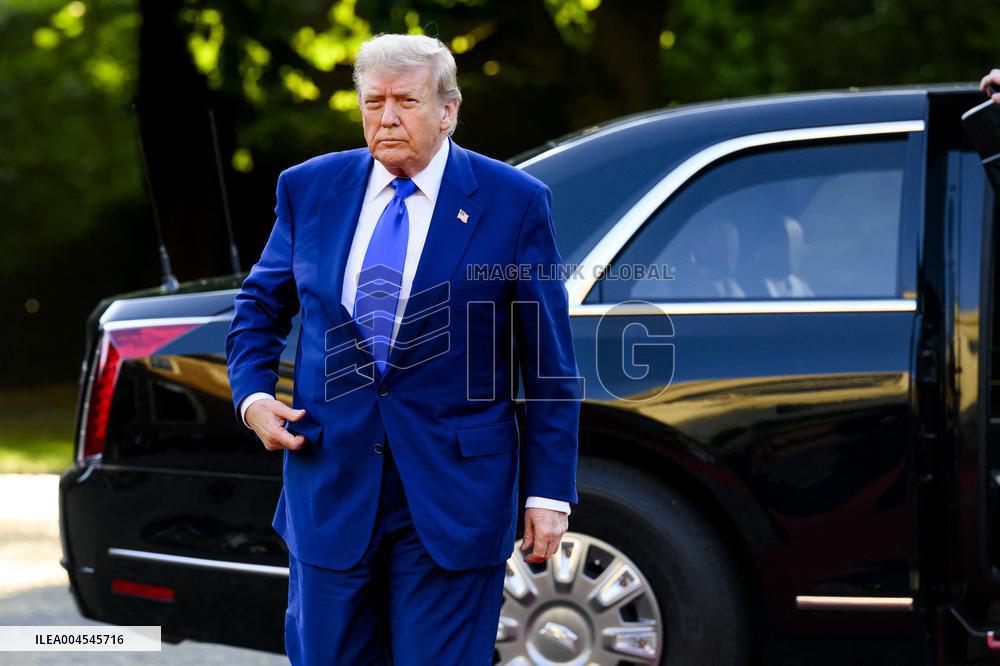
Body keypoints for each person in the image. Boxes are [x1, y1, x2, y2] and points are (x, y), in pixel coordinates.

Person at [225, 32, 581, 665]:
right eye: (372, 102)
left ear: (448, 109)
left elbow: (549, 362)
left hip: (455, 496)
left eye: (406, 101)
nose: (386, 118)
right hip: (331, 484)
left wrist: (547, 494)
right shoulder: (309, 189)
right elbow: (259, 307)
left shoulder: (514, 202)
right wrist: (253, 396)